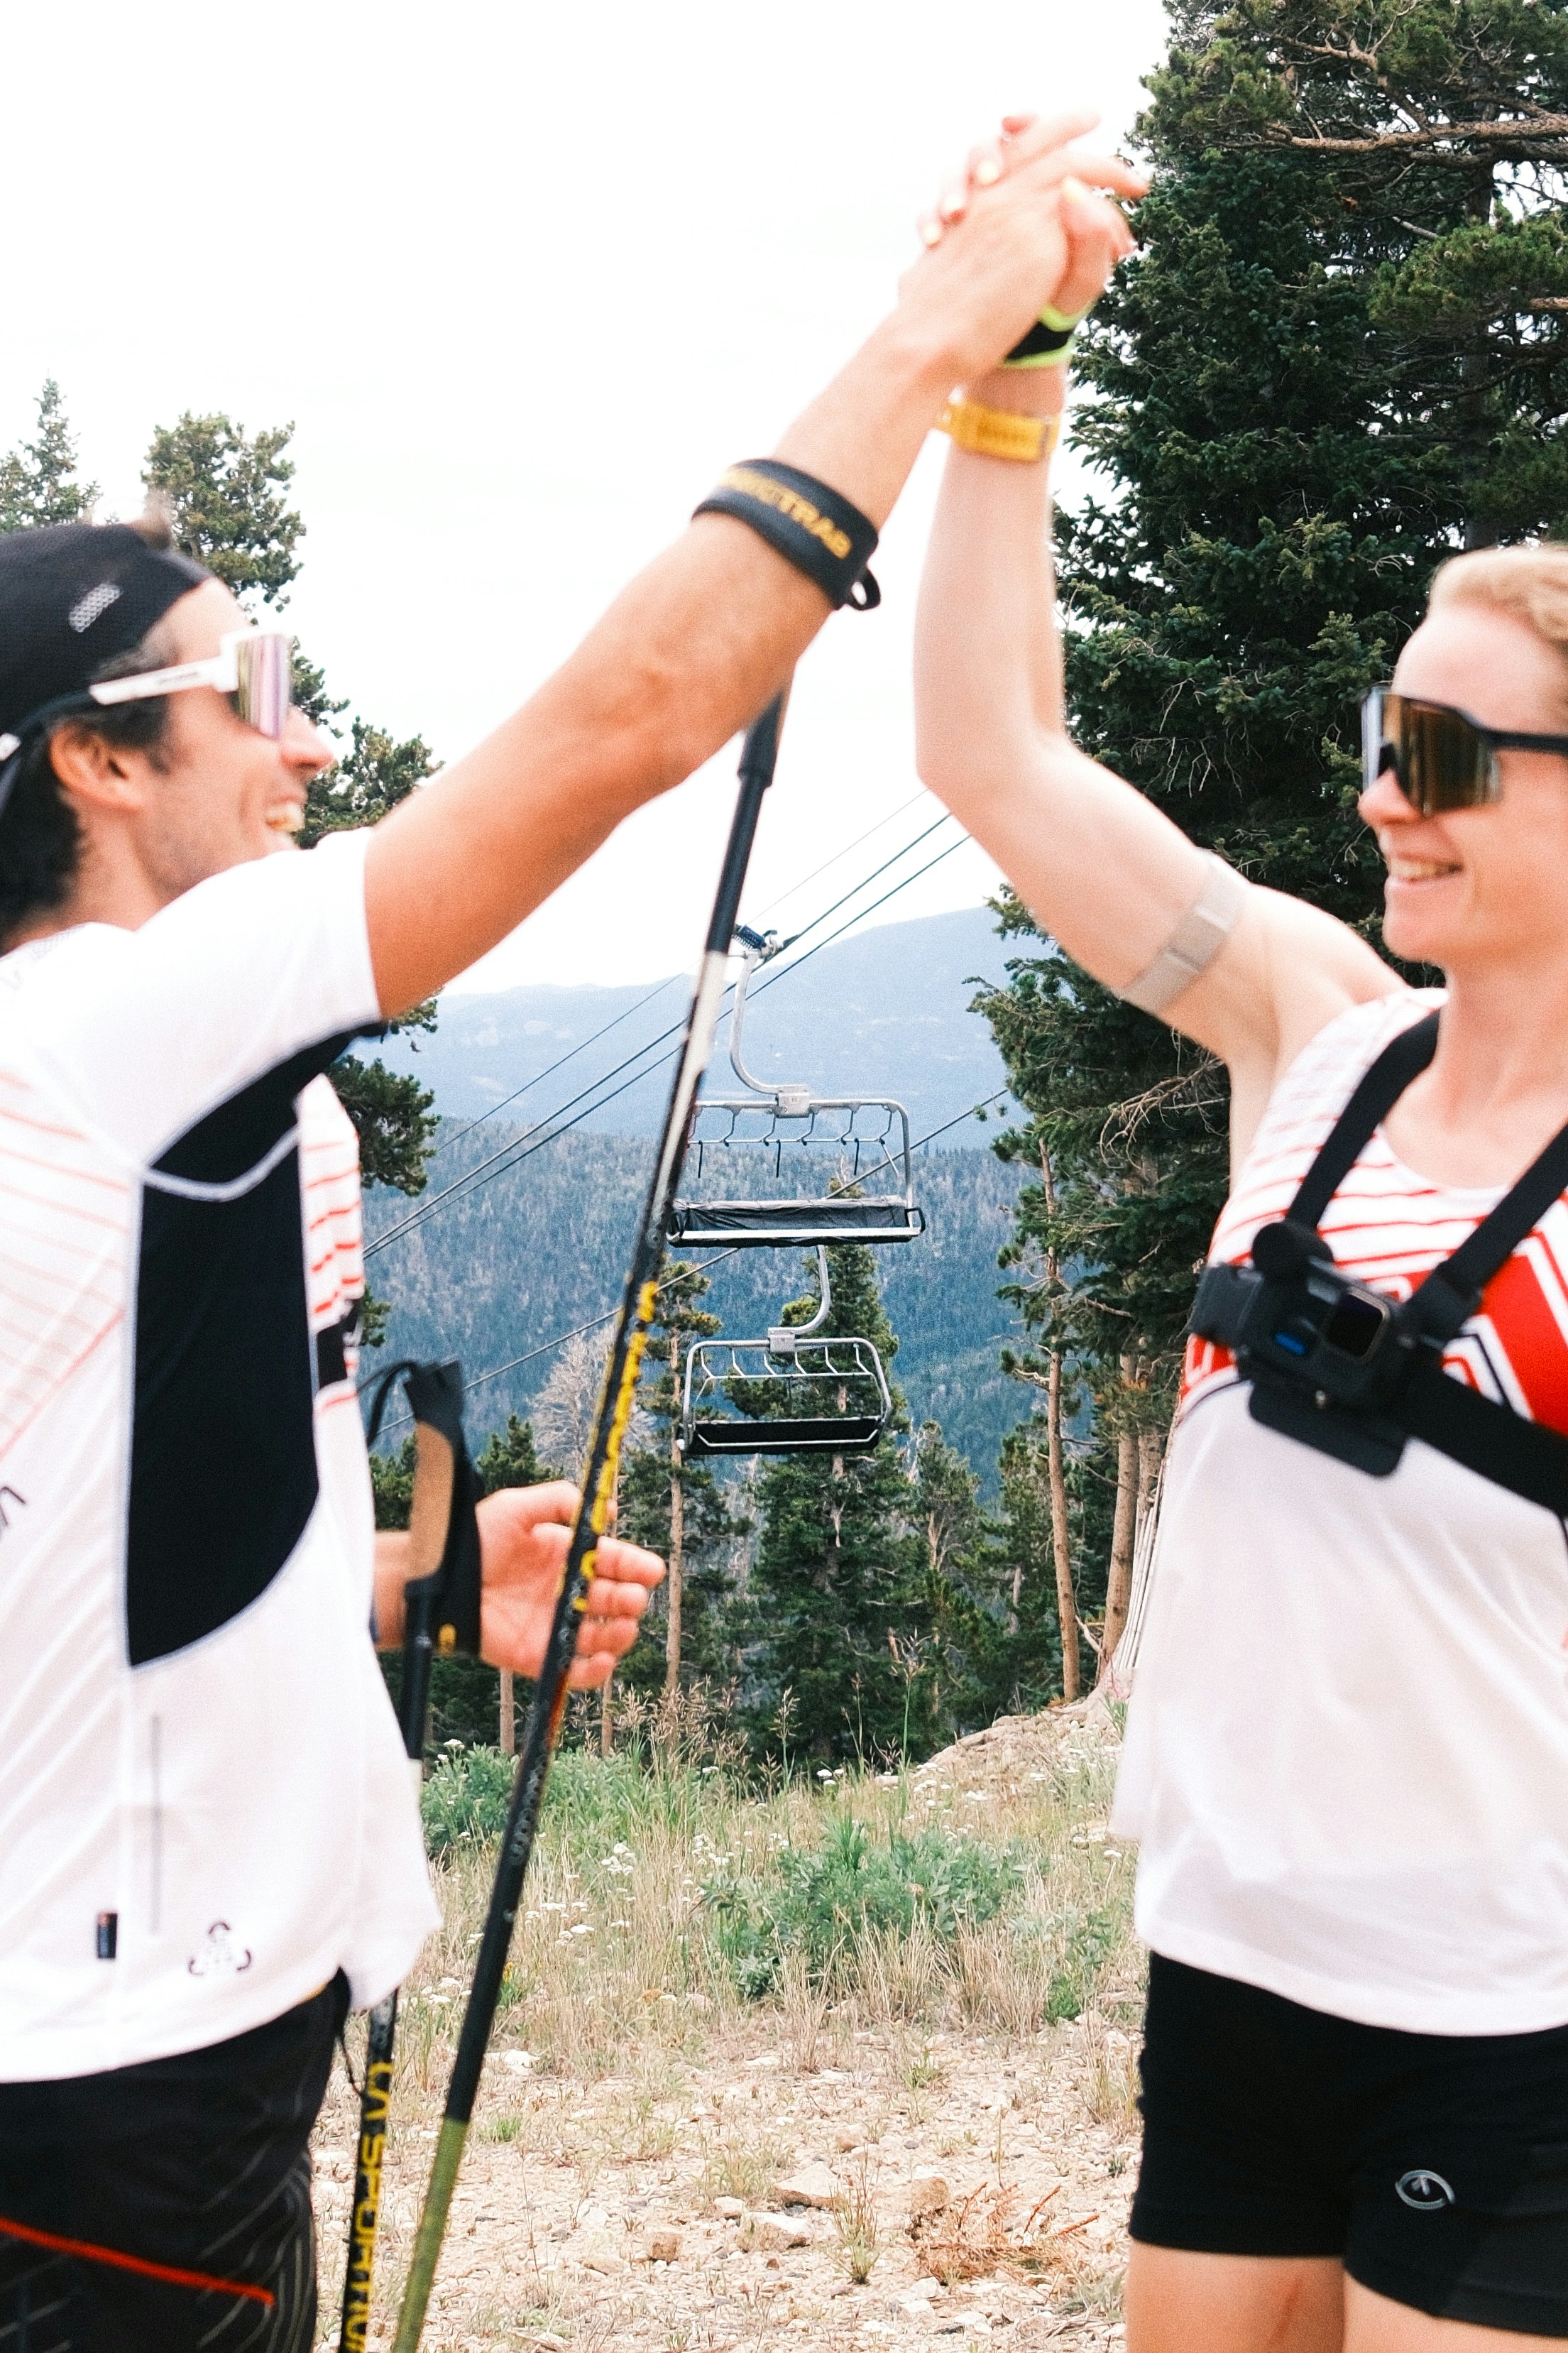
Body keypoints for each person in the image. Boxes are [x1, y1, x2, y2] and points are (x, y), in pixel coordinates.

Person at [0, 115, 1145, 2352]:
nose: (301, 742)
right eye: (252, 690)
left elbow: (86, 1548)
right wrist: (937, 327)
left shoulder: (111, 1065)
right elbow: (624, 726)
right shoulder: (99, 1028)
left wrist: (408, 1581)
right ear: (93, 765)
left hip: (158, 2045)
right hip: (110, 2083)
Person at [914, 114, 1568, 2353]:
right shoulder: (1311, 1031)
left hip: (1515, 2020)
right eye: (1382, 738)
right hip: (1238, 1968)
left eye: (1452, 757)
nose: (1385, 793)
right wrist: (1010, 384)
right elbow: (995, 752)